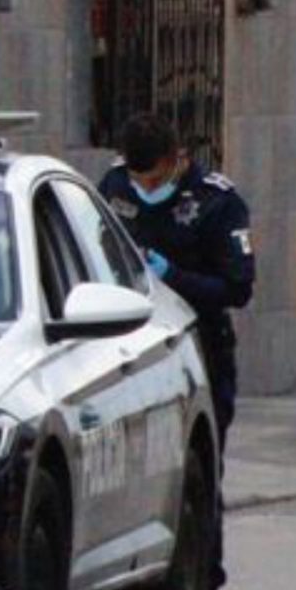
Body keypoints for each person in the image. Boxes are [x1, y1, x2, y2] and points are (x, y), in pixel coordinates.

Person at [98, 112, 255, 440]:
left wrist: (172, 276)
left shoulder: (217, 203)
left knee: (201, 451)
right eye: (136, 179)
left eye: (154, 180)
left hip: (198, 342)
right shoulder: (115, 186)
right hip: (131, 344)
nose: (144, 188)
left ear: (177, 159)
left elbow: (238, 289)